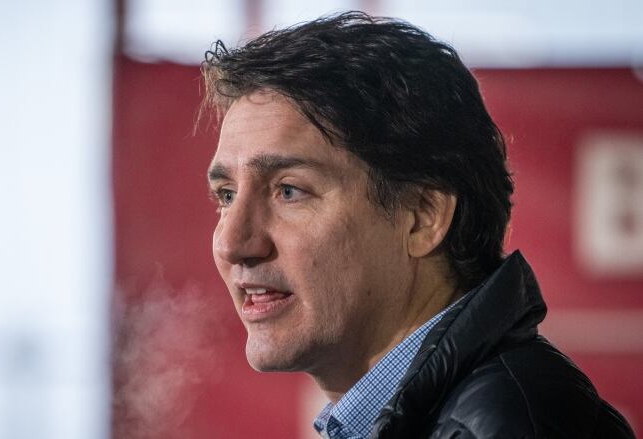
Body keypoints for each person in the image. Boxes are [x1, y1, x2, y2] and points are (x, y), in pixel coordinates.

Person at [201, 11, 634, 439]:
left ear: (423, 216)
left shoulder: (506, 425)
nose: (234, 243)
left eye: (289, 190)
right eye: (226, 195)